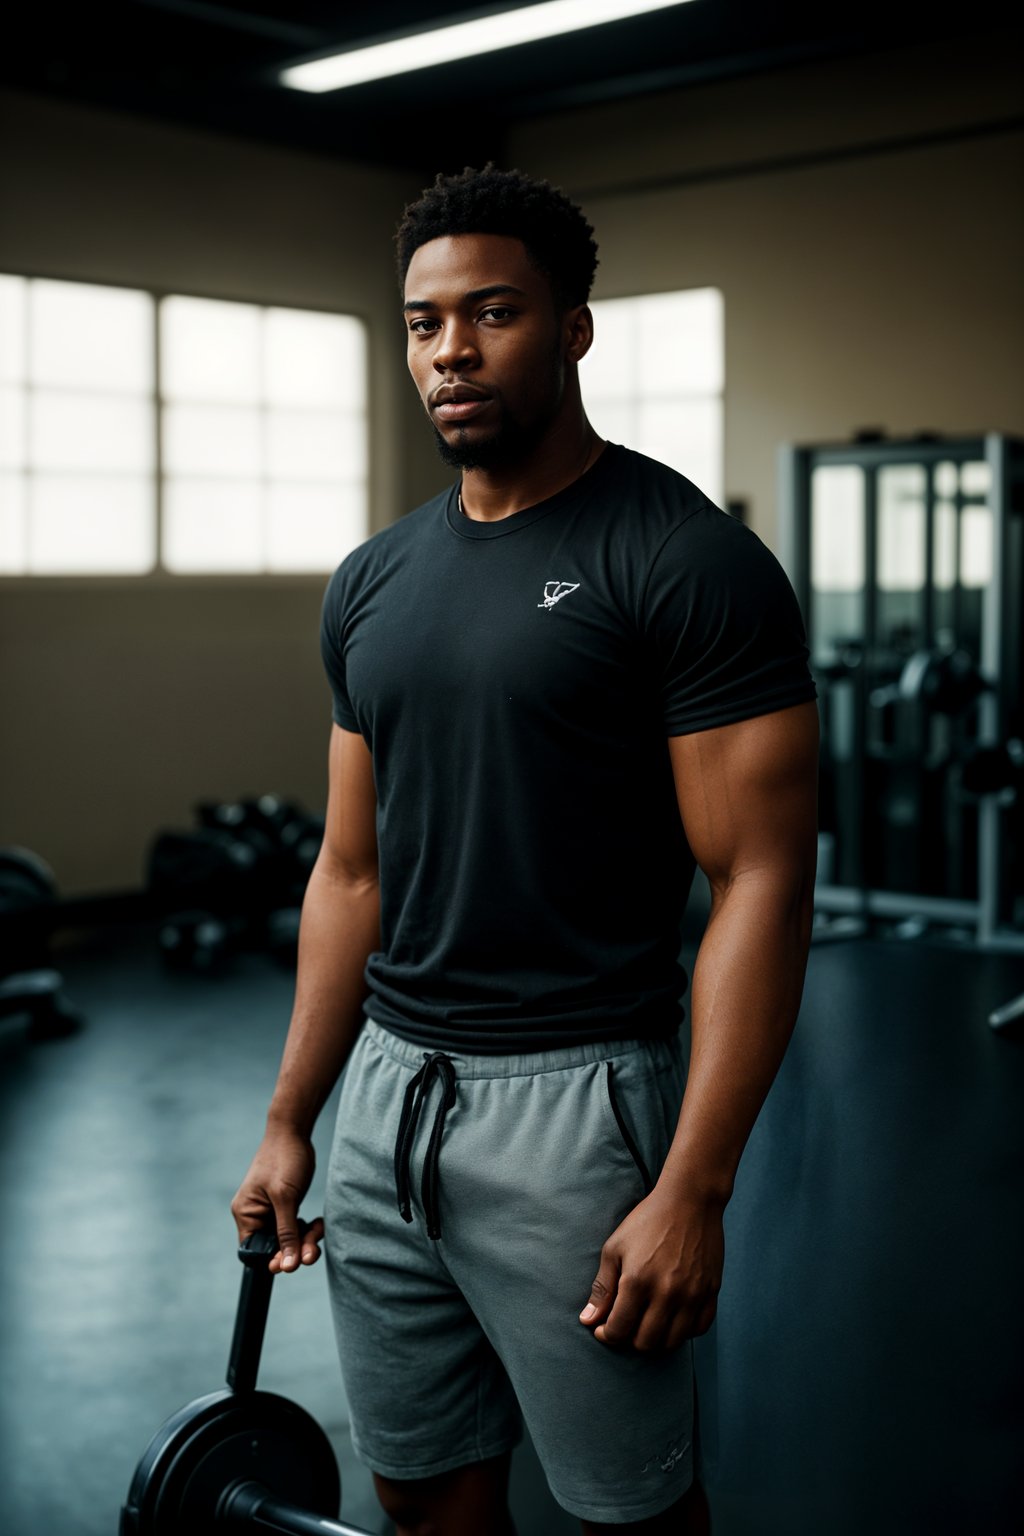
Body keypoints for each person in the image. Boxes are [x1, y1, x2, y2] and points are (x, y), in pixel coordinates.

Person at [232, 166, 819, 1536]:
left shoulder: (682, 560)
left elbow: (761, 879)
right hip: (385, 1101)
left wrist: (694, 1186)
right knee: (425, 1489)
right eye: (424, 322)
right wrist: (289, 1118)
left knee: (629, 1508)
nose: (451, 351)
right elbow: (351, 872)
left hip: (579, 1111)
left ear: (572, 327)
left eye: (491, 312)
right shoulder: (373, 580)